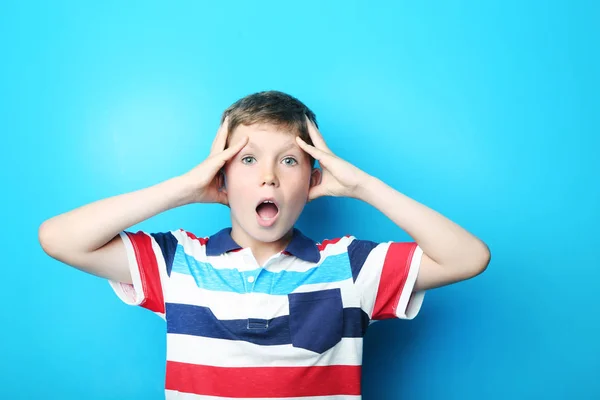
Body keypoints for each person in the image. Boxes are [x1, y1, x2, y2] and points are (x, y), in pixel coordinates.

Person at [39, 90, 491, 399]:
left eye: (289, 161)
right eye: (248, 159)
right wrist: (182, 187)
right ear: (221, 176)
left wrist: (362, 186)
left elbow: (469, 257)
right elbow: (59, 239)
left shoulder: (352, 267)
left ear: (314, 180)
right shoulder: (178, 262)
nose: (268, 176)